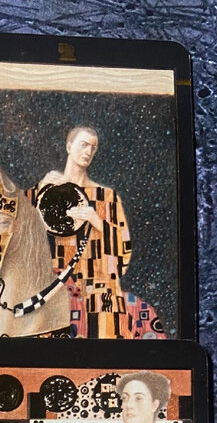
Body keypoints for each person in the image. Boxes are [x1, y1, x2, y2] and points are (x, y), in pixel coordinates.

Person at [38, 126, 161, 339]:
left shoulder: (106, 197)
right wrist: (41, 193)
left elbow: (123, 251)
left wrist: (96, 220)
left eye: (93, 147)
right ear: (69, 146)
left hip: (101, 296)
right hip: (57, 292)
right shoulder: (45, 190)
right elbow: (26, 240)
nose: (88, 152)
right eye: (84, 145)